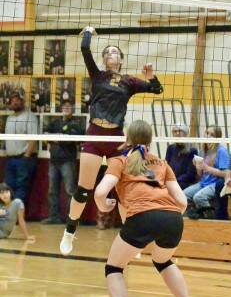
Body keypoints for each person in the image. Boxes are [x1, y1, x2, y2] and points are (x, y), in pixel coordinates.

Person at [60, 26, 163, 253]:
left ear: (121, 59)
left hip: (116, 138)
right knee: (83, 190)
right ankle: (69, 232)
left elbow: (157, 90)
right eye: (106, 52)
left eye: (114, 52)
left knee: (126, 188)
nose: (109, 54)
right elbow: (85, 49)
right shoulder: (97, 75)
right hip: (95, 135)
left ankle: (132, 240)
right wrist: (87, 32)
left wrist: (151, 76)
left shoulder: (129, 81)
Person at [93, 120, 200, 297]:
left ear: (127, 138)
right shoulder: (161, 163)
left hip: (142, 216)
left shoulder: (119, 161)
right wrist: (164, 218)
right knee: (163, 261)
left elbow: (99, 193)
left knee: (114, 268)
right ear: (151, 139)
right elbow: (182, 202)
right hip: (172, 218)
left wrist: (104, 206)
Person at [42, 100, 82, 224]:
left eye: (69, 106)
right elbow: (45, 135)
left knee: (70, 190)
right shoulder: (55, 122)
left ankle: (72, 218)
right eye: (64, 106)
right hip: (53, 161)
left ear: (73, 109)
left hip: (68, 161)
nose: (66, 108)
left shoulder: (76, 124)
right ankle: (54, 216)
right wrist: (58, 137)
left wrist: (56, 139)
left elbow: (69, 141)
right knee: (52, 191)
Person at [184, 125, 229, 219]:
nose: (208, 136)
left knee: (198, 197)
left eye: (212, 134)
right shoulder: (203, 150)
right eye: (207, 133)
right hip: (203, 183)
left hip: (216, 183)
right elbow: (200, 174)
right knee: (183, 195)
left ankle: (210, 218)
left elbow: (225, 174)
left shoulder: (221, 151)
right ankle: (196, 214)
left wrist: (207, 168)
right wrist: (197, 166)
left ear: (217, 138)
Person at [4, 92, 38, 206]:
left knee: (21, 188)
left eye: (17, 100)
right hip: (10, 159)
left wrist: (26, 157)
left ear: (22, 102)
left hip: (24, 159)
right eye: (12, 101)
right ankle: (9, 215)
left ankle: (18, 216)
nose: (15, 102)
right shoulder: (9, 118)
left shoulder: (30, 116)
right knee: (8, 187)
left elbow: (34, 138)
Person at [165, 124, 197, 189]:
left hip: (184, 182)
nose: (177, 133)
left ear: (185, 133)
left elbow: (191, 174)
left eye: (180, 131)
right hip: (171, 181)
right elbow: (166, 166)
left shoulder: (192, 150)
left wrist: (175, 180)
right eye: (175, 131)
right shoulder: (170, 148)